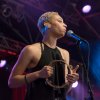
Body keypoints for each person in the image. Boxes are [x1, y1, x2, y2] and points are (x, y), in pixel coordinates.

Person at [8, 11, 79, 100]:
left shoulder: (65, 53)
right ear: (47, 24)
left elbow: (63, 91)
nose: (65, 25)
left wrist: (71, 82)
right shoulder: (31, 50)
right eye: (60, 21)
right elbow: (12, 82)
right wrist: (38, 74)